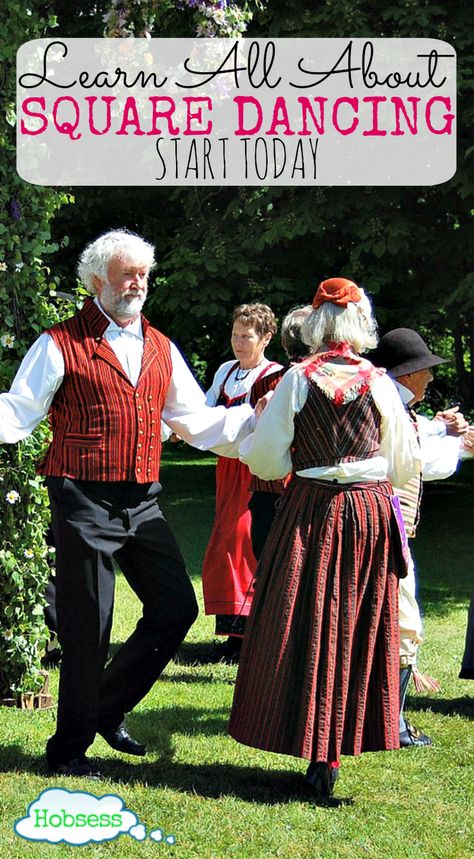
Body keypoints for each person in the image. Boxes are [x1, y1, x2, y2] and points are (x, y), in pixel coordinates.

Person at [0, 229, 255, 779]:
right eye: (125, 273)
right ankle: (67, 751)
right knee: (88, 626)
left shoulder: (162, 346)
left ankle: (105, 708)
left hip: (142, 500)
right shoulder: (59, 343)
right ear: (96, 282)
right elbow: (18, 412)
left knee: (175, 609)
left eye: (143, 273)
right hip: (83, 496)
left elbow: (193, 419)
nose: (137, 283)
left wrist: (262, 419)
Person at [228, 277, 421, 802]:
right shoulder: (380, 383)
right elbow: (404, 462)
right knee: (355, 624)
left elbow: (266, 459)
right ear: (362, 324)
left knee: (309, 621)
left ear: (315, 324)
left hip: (312, 510)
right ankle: (333, 748)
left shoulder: (296, 380)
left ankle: (314, 745)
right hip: (366, 513)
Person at [371, 328, 473, 744]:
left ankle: (383, 716)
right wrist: (461, 446)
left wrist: (443, 431)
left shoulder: (394, 403)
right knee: (405, 622)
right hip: (385, 531)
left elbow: (415, 437)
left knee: (394, 622)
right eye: (425, 370)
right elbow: (411, 461)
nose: (430, 378)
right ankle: (390, 723)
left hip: (383, 528)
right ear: (408, 373)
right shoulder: (390, 405)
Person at [202, 303, 281, 661]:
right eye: (235, 334)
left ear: (266, 338)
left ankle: (249, 634)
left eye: (246, 336)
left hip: (255, 468)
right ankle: (233, 632)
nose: (238, 342)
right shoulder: (225, 371)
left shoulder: (276, 375)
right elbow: (204, 411)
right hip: (226, 467)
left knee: (243, 542)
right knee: (224, 542)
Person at [248, 305, 313, 562]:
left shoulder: (275, 381)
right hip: (301, 496)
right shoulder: (314, 384)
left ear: (285, 342)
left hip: (268, 494)